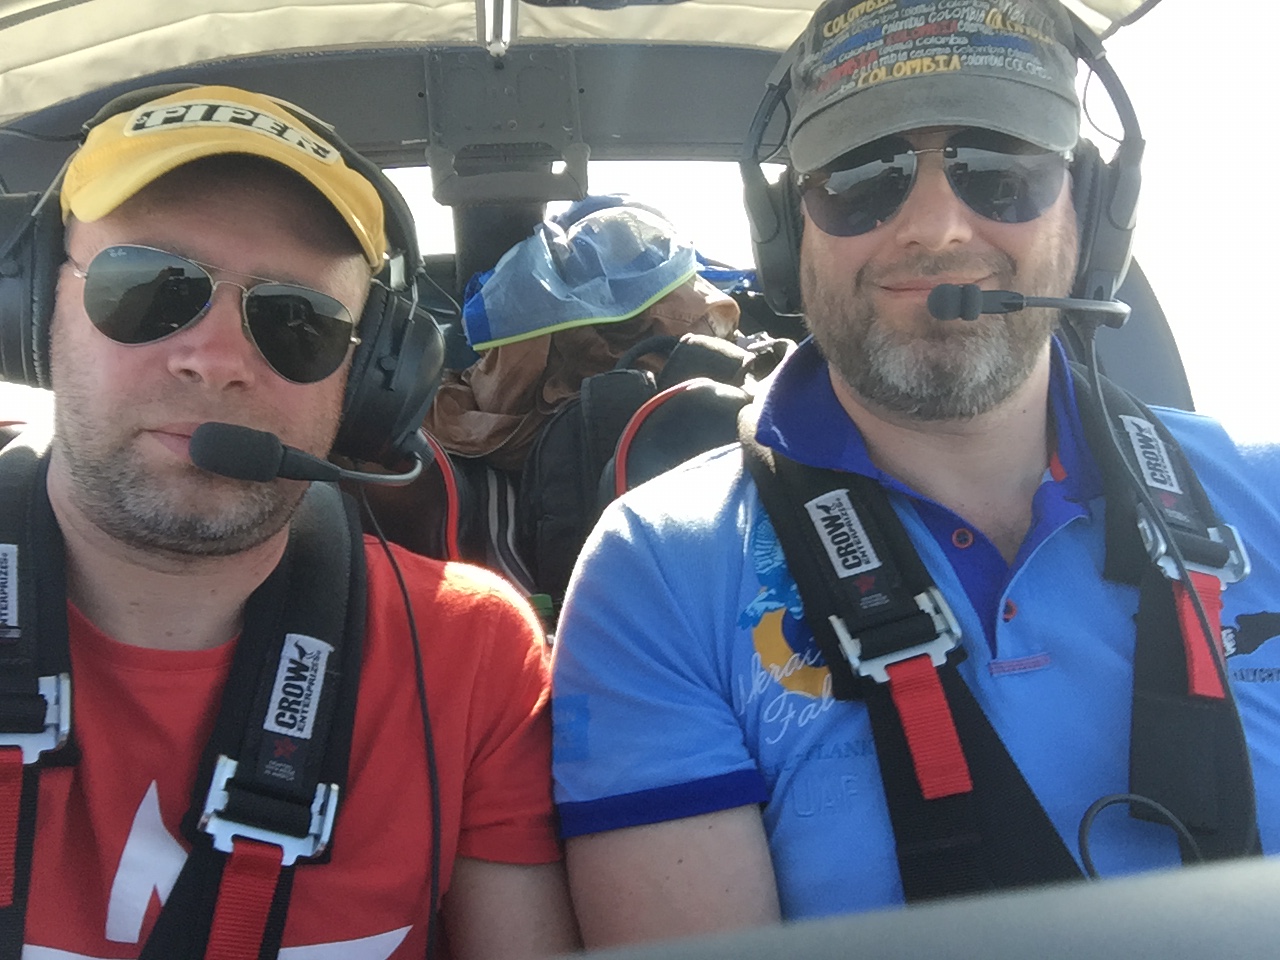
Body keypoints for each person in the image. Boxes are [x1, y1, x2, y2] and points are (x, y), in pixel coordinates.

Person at [549, 0, 1280, 948]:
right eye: (863, 179)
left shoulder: (1266, 493)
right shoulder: (660, 572)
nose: (935, 229)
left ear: (1093, 212)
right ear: (787, 231)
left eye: (1001, 171)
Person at [2, 84, 577, 958]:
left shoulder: (469, 653)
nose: (216, 361)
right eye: (149, 285)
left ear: (374, 379)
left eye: (297, 319)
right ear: (35, 305)